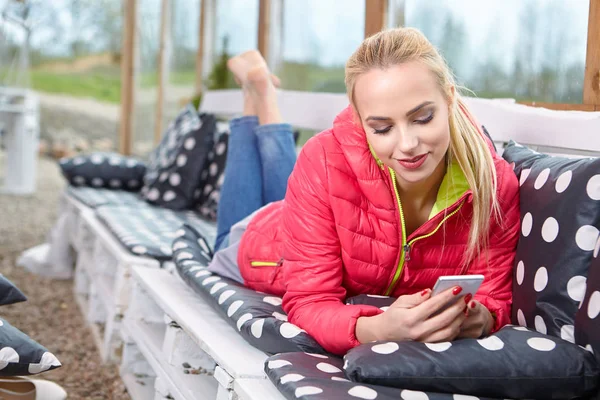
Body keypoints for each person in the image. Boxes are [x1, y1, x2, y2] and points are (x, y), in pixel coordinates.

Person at [207, 27, 520, 356]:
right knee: (231, 230)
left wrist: (480, 318)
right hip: (262, 247)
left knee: (302, 180)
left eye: (423, 118)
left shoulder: (494, 183)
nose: (408, 145)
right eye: (382, 128)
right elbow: (310, 302)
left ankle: (260, 88)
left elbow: (493, 297)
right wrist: (378, 329)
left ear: (450, 99)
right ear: (359, 120)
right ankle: (256, 93)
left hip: (309, 212)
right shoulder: (323, 160)